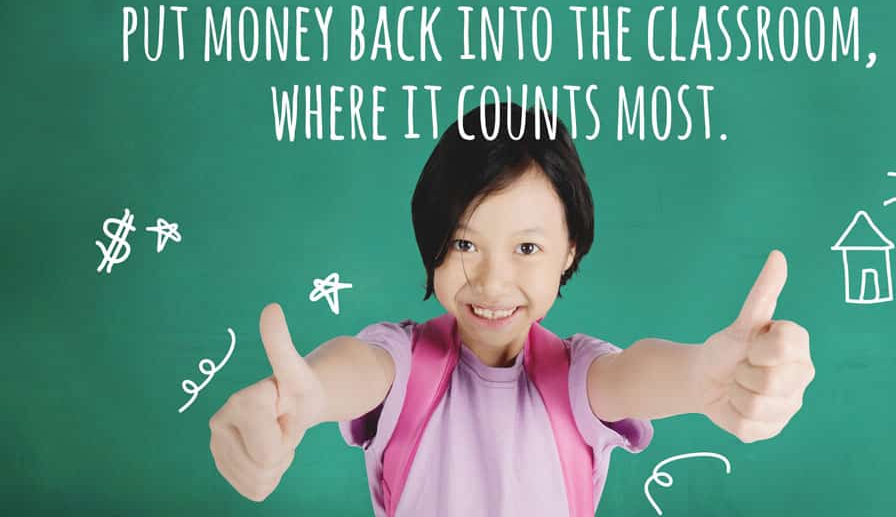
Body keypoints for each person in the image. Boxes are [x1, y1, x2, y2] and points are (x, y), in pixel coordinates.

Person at [208, 102, 816, 516]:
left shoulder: (576, 377)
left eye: (527, 247)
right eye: (465, 243)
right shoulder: (405, 362)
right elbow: (358, 368)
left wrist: (702, 377)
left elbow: (636, 373)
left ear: (569, 248)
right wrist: (306, 394)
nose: (493, 282)